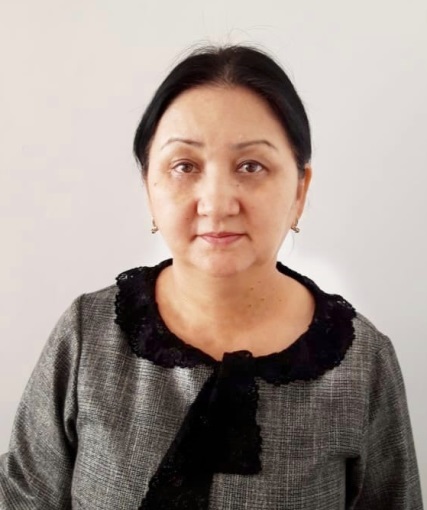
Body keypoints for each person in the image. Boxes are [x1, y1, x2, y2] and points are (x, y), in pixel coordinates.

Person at [0, 45, 423, 510]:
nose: (217, 202)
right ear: (149, 189)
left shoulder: (363, 363)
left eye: (251, 166)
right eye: (184, 166)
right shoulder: (86, 335)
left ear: (300, 191)